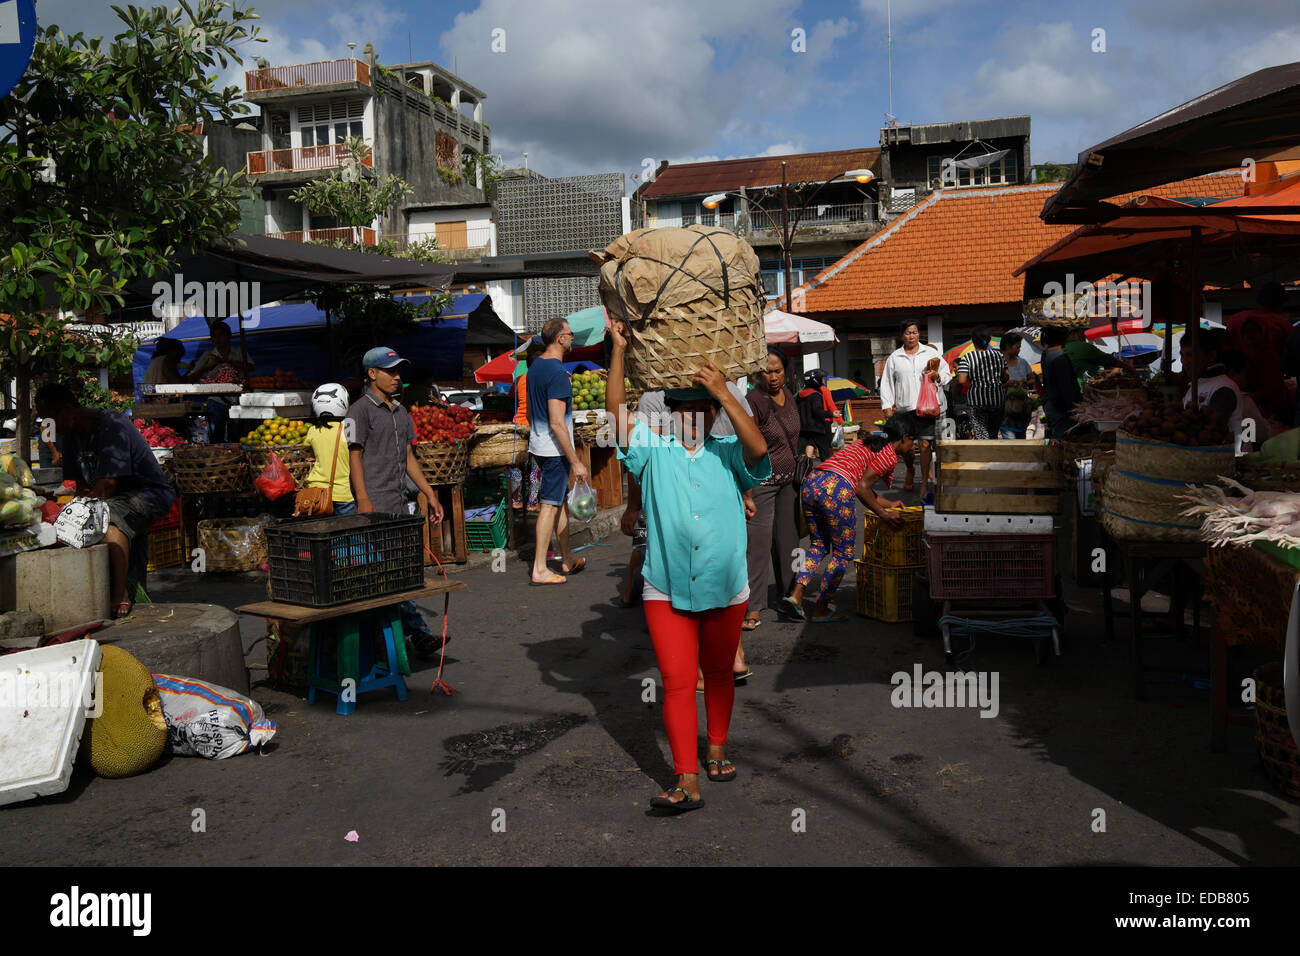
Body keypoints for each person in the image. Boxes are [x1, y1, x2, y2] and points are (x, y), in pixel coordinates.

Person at [605, 320, 770, 813]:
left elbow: (759, 448)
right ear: (671, 413)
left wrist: (724, 391)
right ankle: (686, 778)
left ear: (713, 412)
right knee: (677, 682)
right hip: (665, 583)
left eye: (703, 407)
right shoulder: (653, 451)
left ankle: (716, 746)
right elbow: (615, 419)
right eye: (683, 408)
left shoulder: (728, 453)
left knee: (719, 672)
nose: (692, 416)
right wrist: (618, 351)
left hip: (725, 582)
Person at [35, 383, 176, 619]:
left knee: (108, 520)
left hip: (148, 494)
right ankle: (133, 589)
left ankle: (120, 594)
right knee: (96, 518)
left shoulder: (112, 426)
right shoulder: (70, 435)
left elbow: (107, 485)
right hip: (118, 497)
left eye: (48, 419)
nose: (47, 427)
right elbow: (81, 485)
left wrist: (83, 507)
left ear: (67, 410)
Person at [344, 347, 447, 660]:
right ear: (372, 374)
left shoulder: (400, 411)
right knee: (383, 573)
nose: (397, 376)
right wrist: (362, 499)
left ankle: (410, 637)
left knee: (398, 571)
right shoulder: (358, 411)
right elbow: (354, 456)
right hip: (373, 504)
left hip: (399, 503)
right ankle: (414, 635)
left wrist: (428, 493)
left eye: (399, 370)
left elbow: (408, 456)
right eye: (390, 371)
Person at [785, 420, 911, 624]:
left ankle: (796, 595)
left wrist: (889, 504)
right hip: (837, 489)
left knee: (817, 545)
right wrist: (884, 514)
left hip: (814, 482)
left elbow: (865, 489)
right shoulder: (888, 453)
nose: (911, 448)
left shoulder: (866, 442)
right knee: (843, 552)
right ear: (905, 438)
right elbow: (861, 487)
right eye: (912, 442)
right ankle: (820, 608)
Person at [743, 347, 804, 631]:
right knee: (757, 546)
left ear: (786, 371)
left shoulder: (789, 395)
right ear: (757, 373)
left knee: (789, 544)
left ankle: (788, 598)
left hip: (789, 482)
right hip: (762, 484)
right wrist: (747, 489)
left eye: (778, 370)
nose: (773, 377)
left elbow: (794, 434)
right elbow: (746, 444)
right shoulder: (753, 401)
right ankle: (753, 606)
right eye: (767, 371)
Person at [526, 318, 590, 585]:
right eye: (570, 334)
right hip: (554, 450)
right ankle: (540, 568)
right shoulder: (556, 373)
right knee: (549, 506)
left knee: (559, 502)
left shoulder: (535, 367)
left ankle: (566, 557)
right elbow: (556, 421)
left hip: (539, 445)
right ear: (560, 338)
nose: (572, 338)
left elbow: (532, 412)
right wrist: (575, 461)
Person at [879, 319, 951, 490]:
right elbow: (887, 383)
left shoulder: (929, 354)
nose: (911, 336)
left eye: (914, 332)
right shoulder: (895, 357)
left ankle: (925, 483)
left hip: (927, 408)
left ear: (919, 334)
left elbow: (947, 373)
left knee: (925, 445)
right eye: (908, 333)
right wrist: (887, 406)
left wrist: (938, 377)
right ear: (902, 335)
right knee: (905, 447)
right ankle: (910, 469)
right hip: (905, 408)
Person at [1227, 283, 1292, 422]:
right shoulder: (1282, 325)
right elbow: (1289, 362)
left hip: (1241, 390)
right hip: (1271, 392)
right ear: (1279, 304)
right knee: (1272, 432)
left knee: (1246, 431)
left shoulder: (1234, 320)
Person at [188, 321, 255, 443]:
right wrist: (205, 367)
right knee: (215, 437)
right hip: (216, 400)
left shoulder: (239, 352)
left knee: (237, 436)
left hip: (237, 399)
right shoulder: (208, 356)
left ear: (228, 336)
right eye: (214, 336)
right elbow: (192, 377)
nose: (217, 339)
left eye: (221, 335)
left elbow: (251, 367)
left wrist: (228, 362)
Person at [1180, 329, 1244, 453]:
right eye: (1182, 355)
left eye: (1190, 355)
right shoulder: (1194, 386)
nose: (1184, 361)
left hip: (1226, 460)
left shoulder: (1223, 388)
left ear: (1211, 356)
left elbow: (1211, 430)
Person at [302, 384, 354, 514]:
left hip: (317, 493)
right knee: (349, 532)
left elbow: (309, 451)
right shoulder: (349, 427)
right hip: (344, 493)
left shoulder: (312, 430)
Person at [955, 325, 1006, 440]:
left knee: (981, 435)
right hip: (997, 399)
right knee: (993, 434)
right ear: (989, 339)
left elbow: (961, 381)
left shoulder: (967, 357)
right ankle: (993, 457)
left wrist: (957, 391)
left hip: (977, 401)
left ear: (973, 340)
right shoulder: (999, 355)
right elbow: (1005, 377)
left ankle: (985, 457)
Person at [1039, 325, 1082, 439]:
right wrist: (1074, 408)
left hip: (1052, 404)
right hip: (1061, 409)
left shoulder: (1046, 354)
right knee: (1064, 440)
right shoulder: (1060, 357)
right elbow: (1066, 387)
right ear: (1063, 339)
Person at [998, 331, 1038, 439]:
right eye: (1017, 347)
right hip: (1005, 410)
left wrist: (1025, 382)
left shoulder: (1023, 362)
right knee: (1010, 442)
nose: (1019, 350)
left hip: (1022, 410)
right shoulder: (998, 363)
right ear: (1007, 346)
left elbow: (1032, 380)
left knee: (1021, 439)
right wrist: (1007, 385)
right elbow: (992, 385)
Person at [797, 371, 839, 460]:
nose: (823, 381)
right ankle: (825, 473)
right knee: (825, 454)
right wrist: (831, 414)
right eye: (821, 379)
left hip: (803, 429)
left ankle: (802, 470)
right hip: (816, 429)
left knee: (799, 454)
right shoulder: (815, 395)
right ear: (816, 380)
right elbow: (818, 411)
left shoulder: (800, 395)